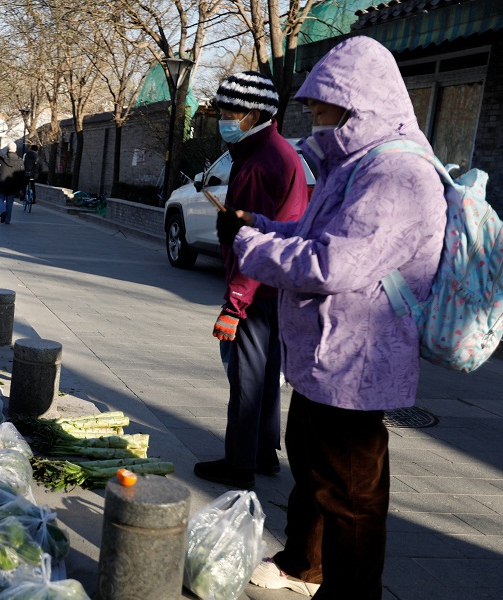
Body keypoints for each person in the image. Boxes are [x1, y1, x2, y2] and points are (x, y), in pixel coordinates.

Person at [216, 36, 446, 598]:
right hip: (327, 353)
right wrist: (261, 227)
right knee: (314, 469)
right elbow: (312, 234)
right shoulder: (355, 164)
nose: (316, 122)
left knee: (351, 496)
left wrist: (250, 247)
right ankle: (304, 563)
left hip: (357, 359)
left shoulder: (396, 174)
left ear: (357, 105)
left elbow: (333, 263)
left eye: (324, 111)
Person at [194, 71, 310, 489]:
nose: (225, 120)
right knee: (264, 370)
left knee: (246, 374)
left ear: (254, 114)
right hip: (275, 283)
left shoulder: (261, 163)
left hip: (258, 285)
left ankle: (239, 463)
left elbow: (252, 243)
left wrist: (235, 304)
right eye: (222, 112)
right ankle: (262, 451)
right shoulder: (272, 152)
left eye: (231, 113)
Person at [0, 142, 26, 223]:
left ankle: (3, 211)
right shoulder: (20, 161)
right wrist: (21, 187)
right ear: (15, 149)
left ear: (8, 149)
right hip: (13, 185)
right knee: (10, 202)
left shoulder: (2, 158)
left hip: (2, 183)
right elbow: (22, 174)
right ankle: (7, 220)